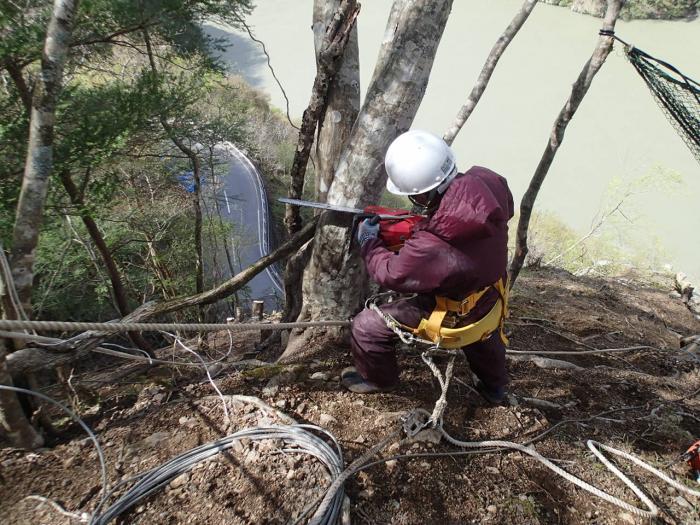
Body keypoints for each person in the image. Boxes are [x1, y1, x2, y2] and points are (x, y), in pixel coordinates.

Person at [340, 130, 514, 403]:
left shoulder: (432, 245)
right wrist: (435, 221)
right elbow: (488, 216)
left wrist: (369, 242)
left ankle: (378, 379)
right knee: (484, 341)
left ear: (423, 195)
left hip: (453, 314)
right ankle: (495, 388)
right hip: (490, 299)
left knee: (366, 326)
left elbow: (391, 274)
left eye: (416, 197)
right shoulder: (489, 182)